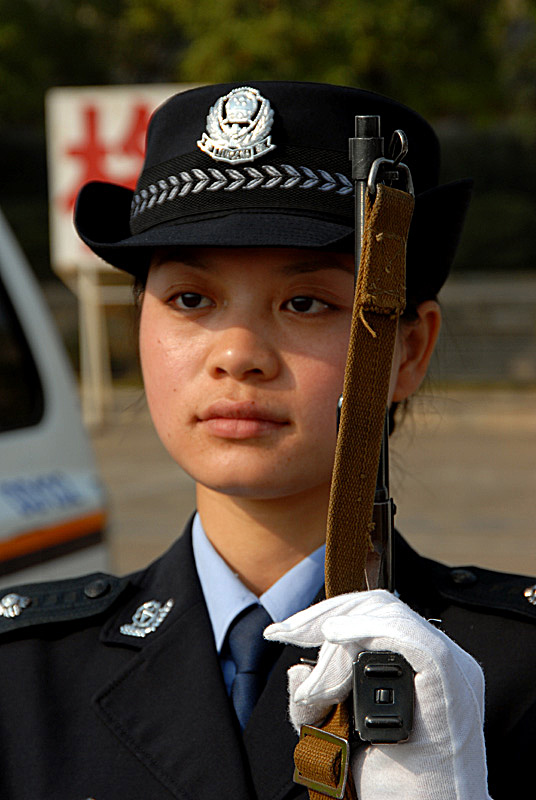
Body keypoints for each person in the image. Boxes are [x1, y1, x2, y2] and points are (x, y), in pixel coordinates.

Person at [0, 82, 534, 800]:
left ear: (409, 351)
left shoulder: (513, 670)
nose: (238, 354)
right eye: (191, 300)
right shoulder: (24, 676)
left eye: (305, 303)